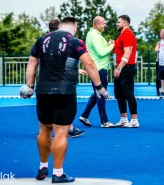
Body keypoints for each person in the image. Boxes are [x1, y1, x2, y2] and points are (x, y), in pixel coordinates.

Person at [23, 17, 110, 183]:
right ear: (74, 26)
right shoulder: (75, 41)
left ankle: (42, 167)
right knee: (61, 132)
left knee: (44, 129)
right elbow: (89, 64)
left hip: (43, 91)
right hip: (65, 92)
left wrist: (30, 86)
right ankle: (57, 173)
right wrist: (99, 87)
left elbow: (32, 62)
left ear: (60, 25)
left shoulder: (42, 40)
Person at [49, 18, 85, 138]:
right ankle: (69, 129)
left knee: (51, 104)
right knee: (65, 105)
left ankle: (45, 130)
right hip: (64, 80)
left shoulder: (45, 41)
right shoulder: (68, 41)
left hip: (48, 78)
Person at [78, 16, 116, 128]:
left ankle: (84, 115)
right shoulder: (94, 36)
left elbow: (100, 48)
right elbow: (101, 52)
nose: (105, 25)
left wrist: (108, 44)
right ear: (97, 24)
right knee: (100, 94)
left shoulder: (95, 35)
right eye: (103, 23)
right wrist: (113, 45)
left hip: (98, 68)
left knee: (97, 93)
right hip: (99, 69)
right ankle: (104, 121)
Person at [113, 15, 139, 128]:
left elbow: (127, 52)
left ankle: (134, 120)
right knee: (119, 94)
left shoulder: (128, 34)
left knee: (128, 94)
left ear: (125, 23)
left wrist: (119, 67)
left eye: (118, 22)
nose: (117, 24)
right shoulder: (122, 35)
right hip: (122, 67)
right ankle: (124, 119)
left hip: (126, 68)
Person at [154, 29, 164, 97]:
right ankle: (163, 91)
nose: (160, 35)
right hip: (160, 62)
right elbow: (156, 49)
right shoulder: (160, 42)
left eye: (160, 33)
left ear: (163, 34)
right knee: (162, 78)